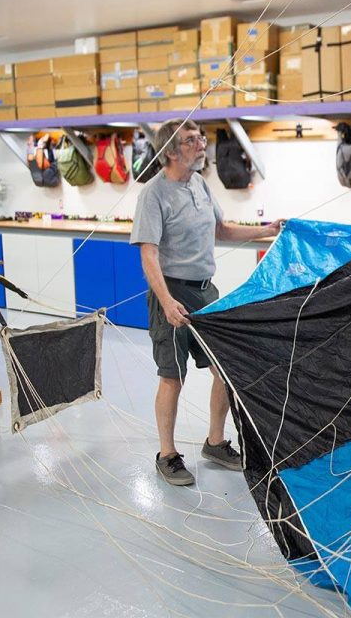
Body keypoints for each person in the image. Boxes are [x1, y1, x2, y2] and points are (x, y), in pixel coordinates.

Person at [130, 118, 283, 486]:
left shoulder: (200, 183)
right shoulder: (153, 194)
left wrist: (268, 230)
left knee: (225, 369)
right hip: (171, 292)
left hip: (205, 291)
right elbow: (148, 253)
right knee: (172, 376)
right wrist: (166, 301)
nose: (201, 145)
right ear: (170, 151)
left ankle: (215, 443)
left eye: (201, 138)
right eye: (191, 140)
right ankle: (166, 454)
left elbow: (221, 230)